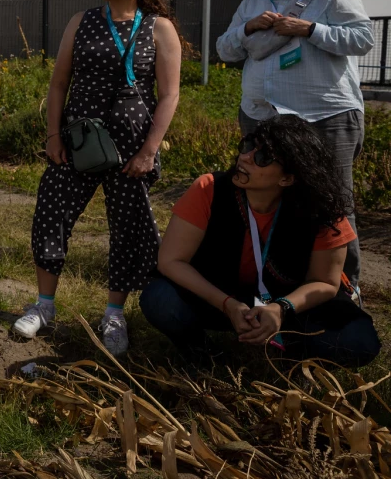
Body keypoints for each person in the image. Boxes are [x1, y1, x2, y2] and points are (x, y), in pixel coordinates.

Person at [12, 0, 180, 356]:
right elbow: (58, 84)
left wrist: (148, 152)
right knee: (50, 214)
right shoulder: (82, 21)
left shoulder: (159, 28)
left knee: (126, 230)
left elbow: (169, 96)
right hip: (78, 143)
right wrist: (53, 136)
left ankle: (114, 314)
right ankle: (45, 305)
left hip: (130, 152)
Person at [142, 115, 380, 367]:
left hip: (291, 304)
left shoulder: (321, 211)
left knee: (358, 343)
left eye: (262, 158)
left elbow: (325, 282)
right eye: (247, 146)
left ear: (287, 178)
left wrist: (281, 309)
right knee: (160, 299)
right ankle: (202, 354)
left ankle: (293, 355)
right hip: (223, 295)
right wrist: (228, 305)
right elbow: (170, 261)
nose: (245, 157)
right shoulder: (209, 189)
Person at [216, 0, 372, 299]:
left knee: (334, 204)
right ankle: (284, 280)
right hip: (262, 117)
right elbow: (224, 50)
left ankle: (346, 289)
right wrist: (248, 28)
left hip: (324, 116)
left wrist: (310, 29)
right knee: (268, 198)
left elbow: (362, 38)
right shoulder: (253, 1)